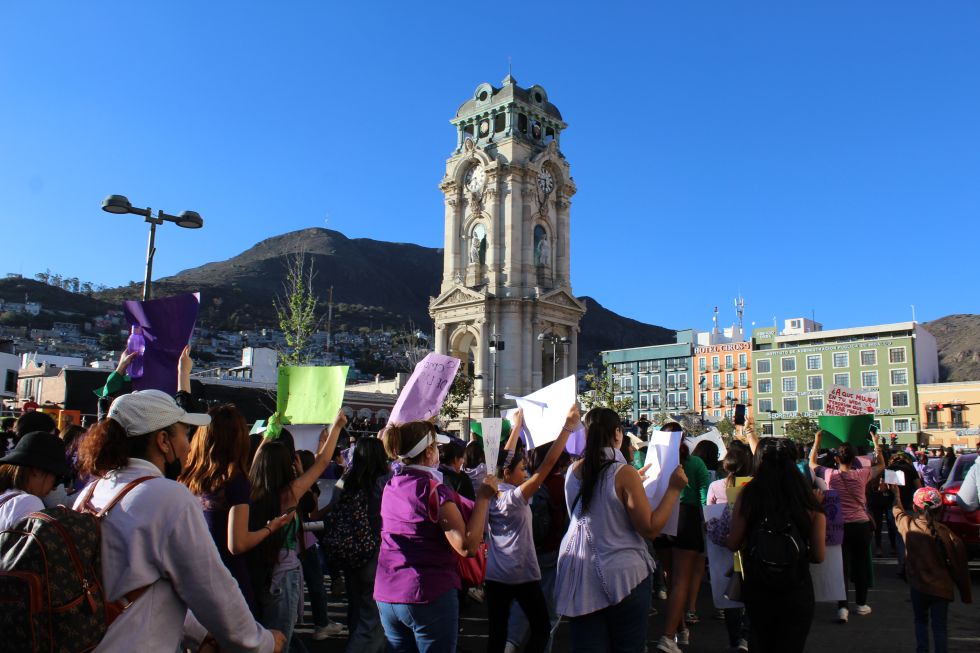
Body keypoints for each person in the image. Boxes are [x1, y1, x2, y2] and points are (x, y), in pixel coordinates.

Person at [75, 389, 284, 652]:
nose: (189, 443)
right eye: (185, 434)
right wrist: (262, 641)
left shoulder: (91, 493)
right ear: (163, 441)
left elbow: (151, 586)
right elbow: (211, 587)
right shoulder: (167, 497)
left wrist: (199, 636)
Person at [555, 407, 687, 653]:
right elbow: (650, 528)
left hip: (581, 575)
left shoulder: (573, 472)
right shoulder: (623, 473)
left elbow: (597, 507)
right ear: (618, 433)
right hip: (625, 576)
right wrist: (673, 489)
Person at [374, 421, 497, 653]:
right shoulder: (433, 491)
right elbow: (466, 547)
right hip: (427, 593)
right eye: (436, 448)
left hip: (388, 593)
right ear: (429, 452)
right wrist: (483, 499)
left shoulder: (391, 485)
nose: (439, 454)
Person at [247, 412, 347, 652]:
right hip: (284, 575)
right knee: (281, 639)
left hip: (258, 571)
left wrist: (269, 435)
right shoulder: (288, 494)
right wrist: (336, 426)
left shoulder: (250, 486)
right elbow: (323, 462)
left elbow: (259, 460)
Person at [179, 404, 290, 617]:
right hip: (227, 583)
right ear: (237, 441)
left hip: (192, 580)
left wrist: (266, 438)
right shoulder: (234, 483)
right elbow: (237, 544)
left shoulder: (187, 478)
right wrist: (270, 527)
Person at [485, 407, 578, 653]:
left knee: (497, 634)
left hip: (495, 575)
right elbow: (545, 467)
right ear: (507, 473)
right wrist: (567, 428)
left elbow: (503, 458)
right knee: (540, 629)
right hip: (521, 574)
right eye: (521, 470)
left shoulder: (488, 493)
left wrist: (517, 427)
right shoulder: (515, 498)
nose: (525, 473)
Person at [727, 438, 826, 653]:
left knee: (760, 641)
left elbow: (733, 542)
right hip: (796, 586)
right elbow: (819, 555)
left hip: (759, 584)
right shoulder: (807, 499)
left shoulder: (750, 494)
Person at [809, 431, 884, 622]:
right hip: (860, 525)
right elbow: (881, 465)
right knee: (860, 565)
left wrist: (817, 442)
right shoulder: (862, 474)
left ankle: (842, 607)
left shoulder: (829, 474)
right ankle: (861, 604)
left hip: (838, 526)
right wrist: (876, 443)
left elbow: (811, 464)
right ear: (855, 458)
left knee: (841, 566)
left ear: (836, 458)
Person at [890, 486, 972, 653]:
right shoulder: (948, 534)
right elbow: (960, 568)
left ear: (914, 508)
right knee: (940, 628)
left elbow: (897, 512)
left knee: (920, 622)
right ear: (940, 509)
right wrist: (965, 594)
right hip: (942, 590)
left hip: (918, 587)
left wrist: (896, 495)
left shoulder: (909, 526)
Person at [332, 436, 390, 653]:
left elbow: (332, 509)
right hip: (375, 554)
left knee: (356, 607)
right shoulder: (385, 482)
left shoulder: (345, 480)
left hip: (348, 550)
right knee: (372, 620)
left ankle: (352, 641)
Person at [658, 431, 710, 648]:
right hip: (686, 518)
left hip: (662, 515)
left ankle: (680, 629)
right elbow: (703, 493)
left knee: (670, 580)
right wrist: (706, 521)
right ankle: (669, 636)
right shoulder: (695, 462)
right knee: (681, 580)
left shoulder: (657, 462)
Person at [705, 445, 752, 652]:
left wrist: (711, 526)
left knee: (731, 594)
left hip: (727, 549)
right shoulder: (756, 486)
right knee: (751, 593)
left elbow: (711, 514)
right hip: (754, 549)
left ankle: (736, 640)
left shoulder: (717, 486)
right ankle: (747, 635)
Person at [0, 431, 70, 529]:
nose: (54, 488)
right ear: (36, 471)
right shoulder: (28, 502)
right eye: (58, 478)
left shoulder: (5, 496)